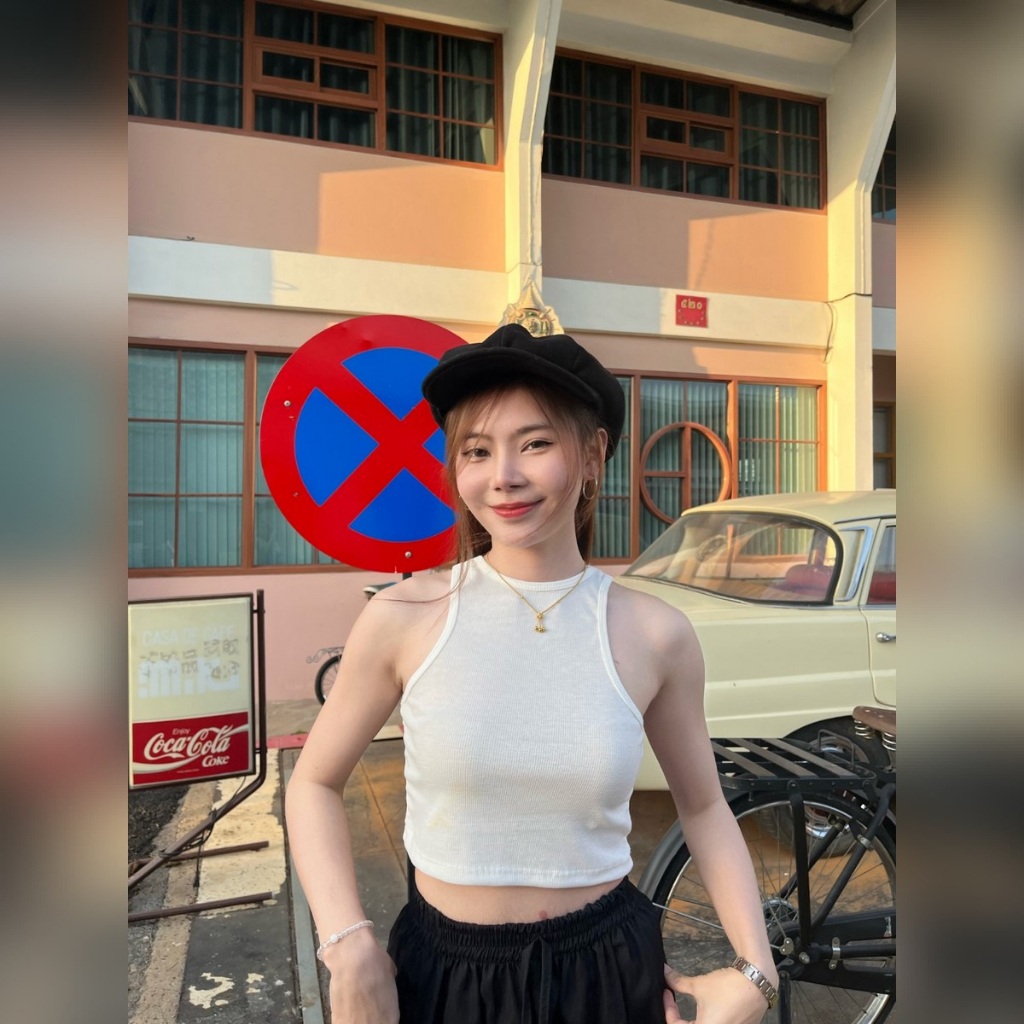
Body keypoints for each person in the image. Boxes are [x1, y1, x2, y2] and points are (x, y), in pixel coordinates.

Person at [285, 324, 779, 1024]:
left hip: (609, 976)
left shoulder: (655, 633)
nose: (503, 476)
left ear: (593, 454)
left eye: (536, 443)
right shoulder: (405, 615)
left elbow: (702, 807)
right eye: (476, 451)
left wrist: (757, 974)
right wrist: (348, 945)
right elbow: (312, 782)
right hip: (442, 980)